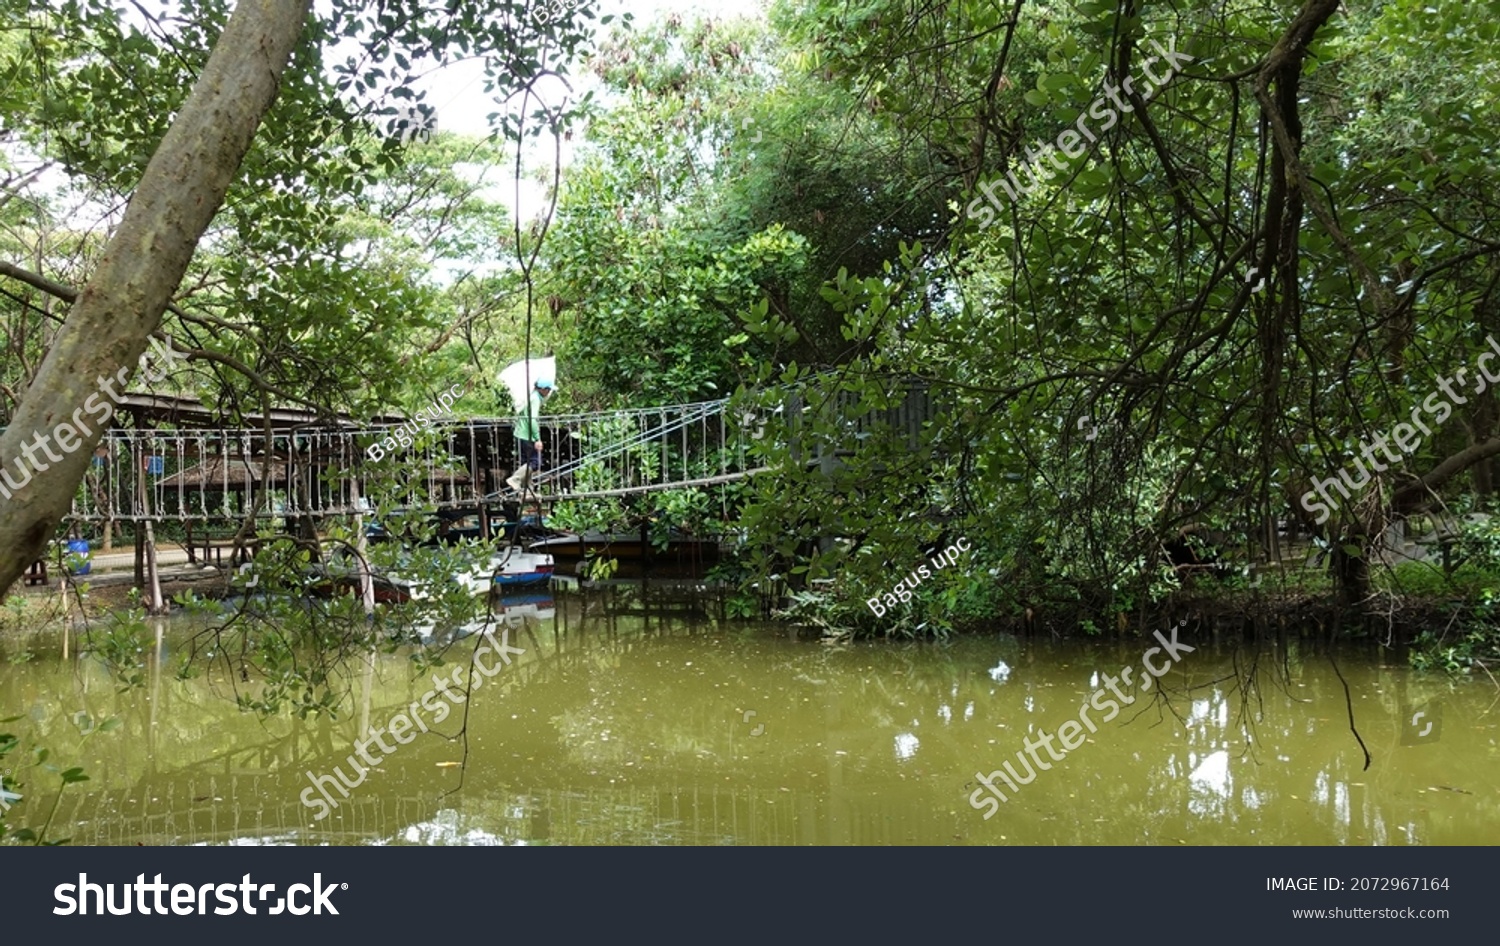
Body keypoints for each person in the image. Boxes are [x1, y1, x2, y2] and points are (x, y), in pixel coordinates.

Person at [506, 378, 554, 493]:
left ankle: (527, 488)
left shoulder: (530, 396)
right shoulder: (535, 399)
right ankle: (515, 479)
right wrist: (537, 438)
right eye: (548, 389)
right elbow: (532, 420)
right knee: (535, 462)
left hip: (520, 433)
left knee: (526, 463)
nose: (549, 391)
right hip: (527, 434)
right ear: (542, 389)